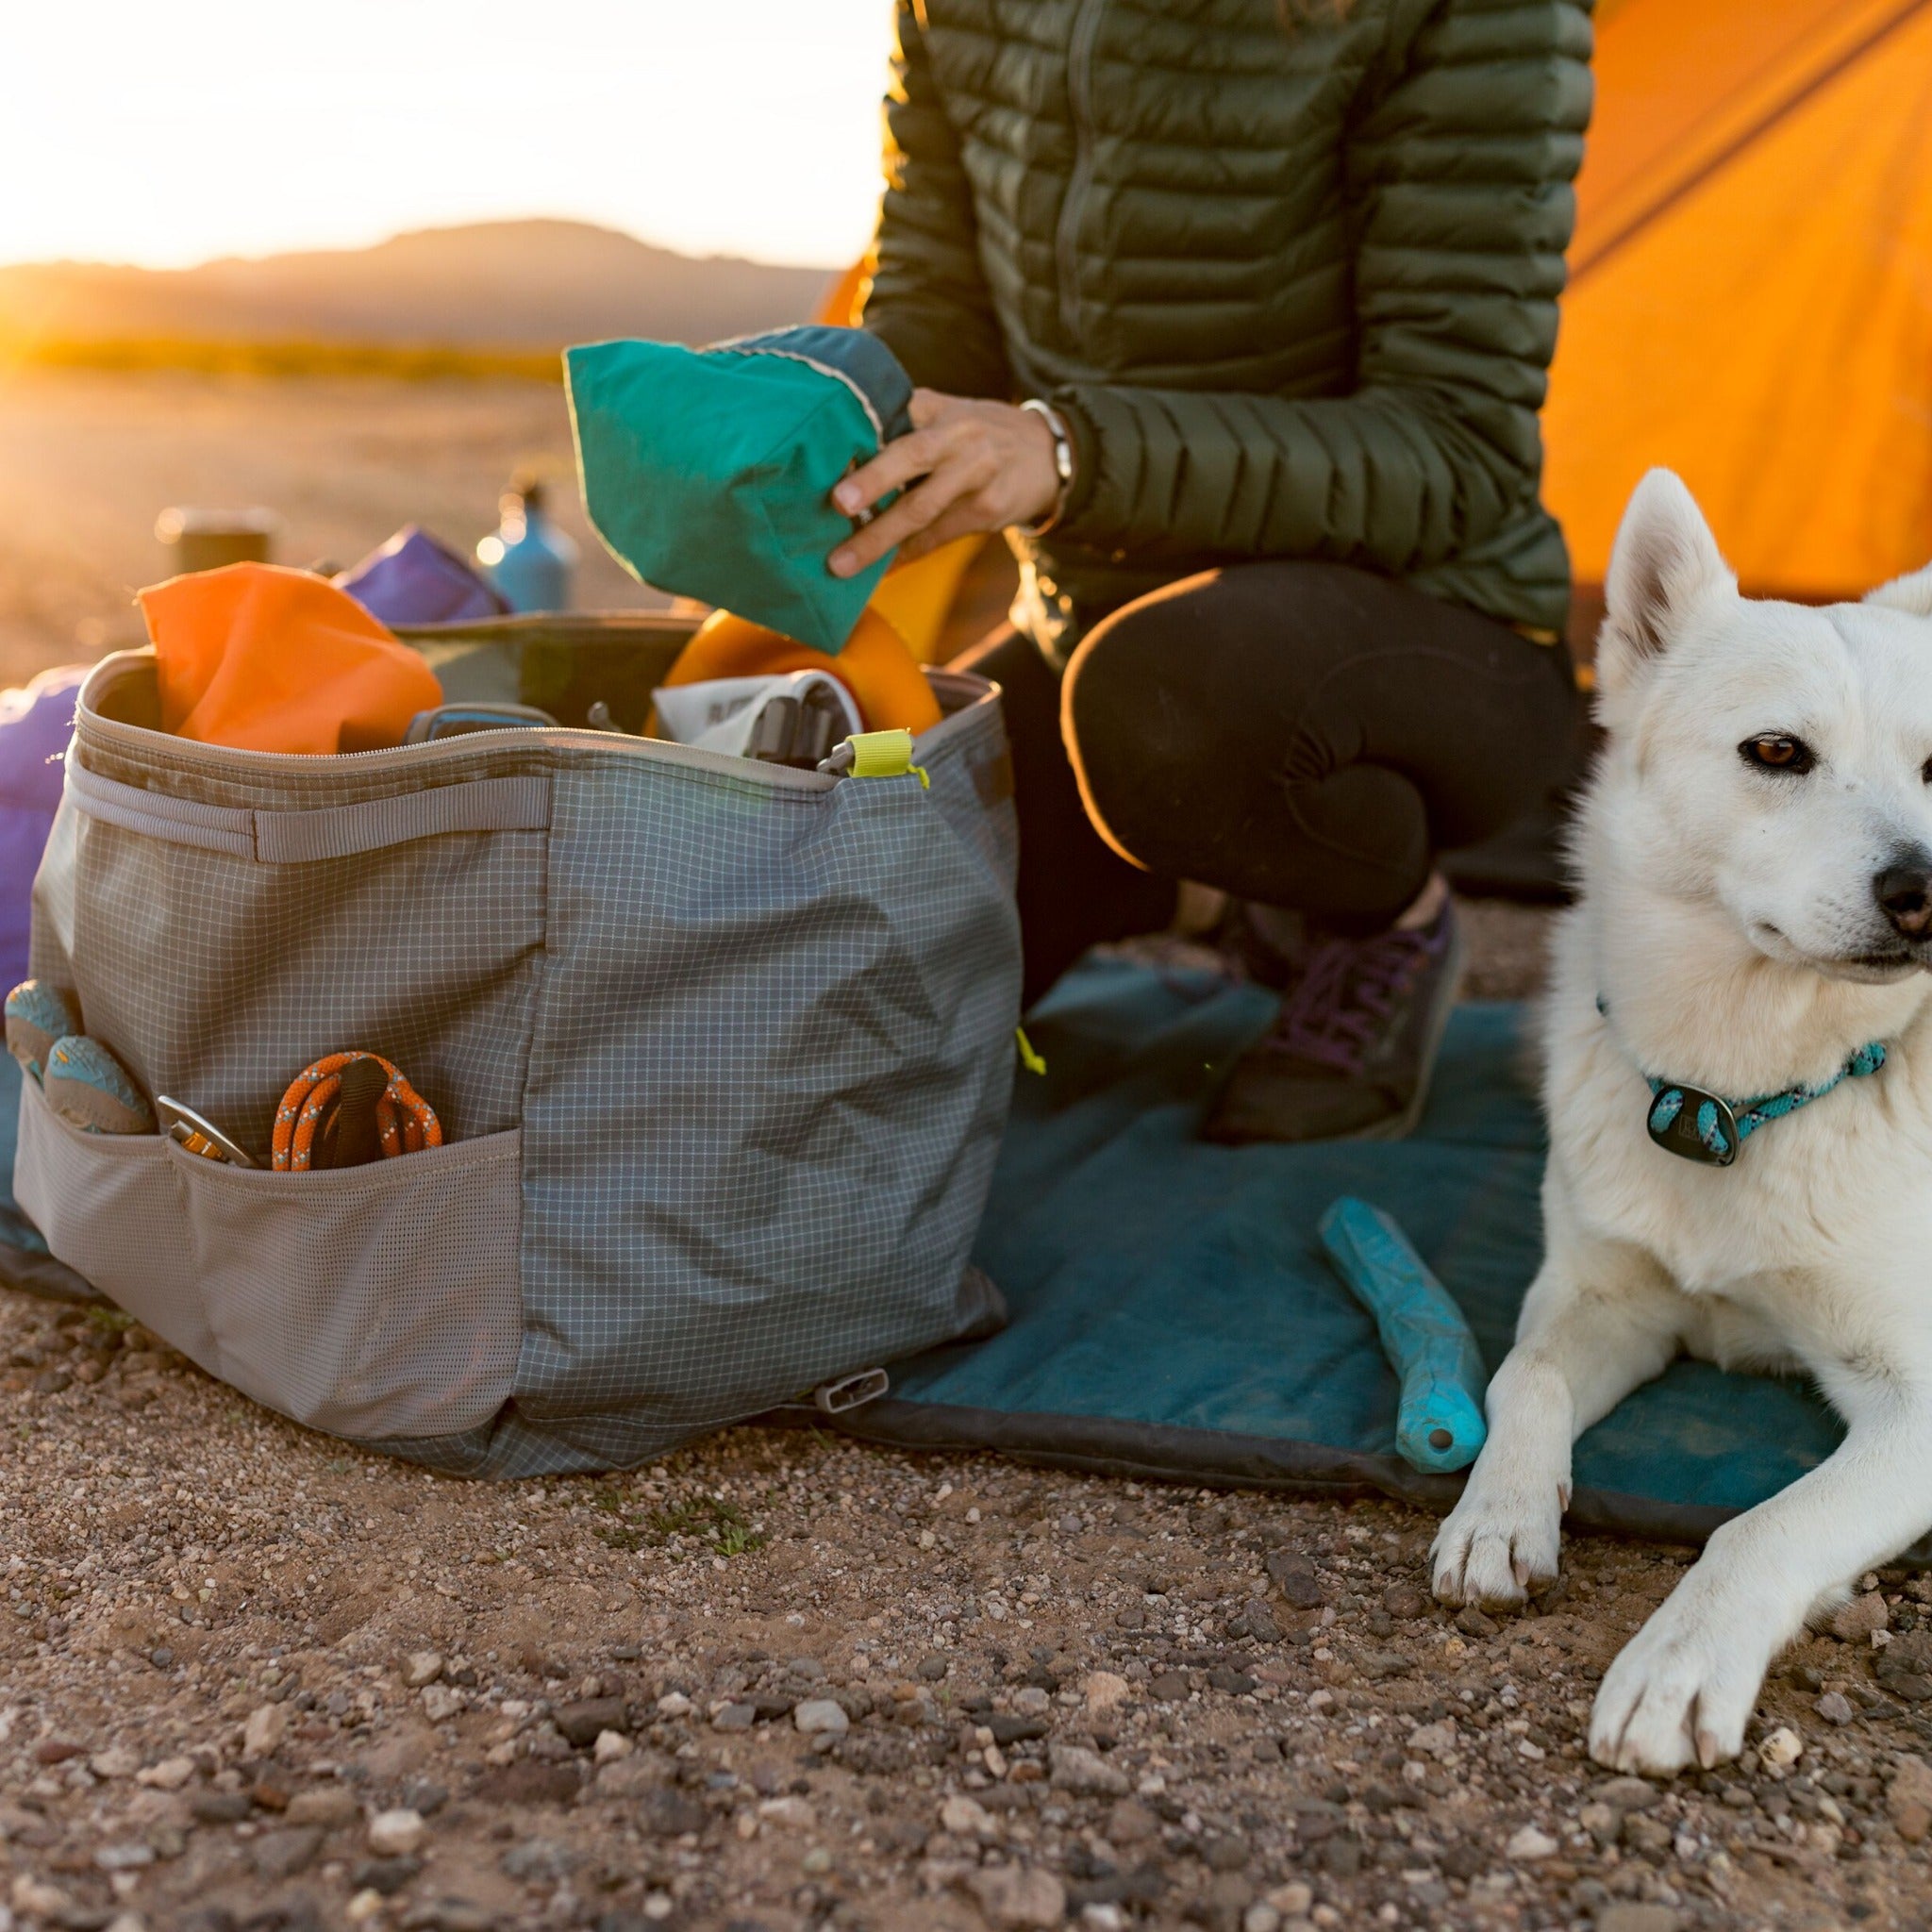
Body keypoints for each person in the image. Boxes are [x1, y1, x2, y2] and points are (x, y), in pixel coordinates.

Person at [835, 0, 1593, 1144]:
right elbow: (935, 307)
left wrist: (1069, 453)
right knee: (848, 1001)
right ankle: (1205, 886)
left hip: (1420, 632)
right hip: (1089, 628)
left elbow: (1455, 448)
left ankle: (1385, 919)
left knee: (1164, 700)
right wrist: (806, 418)